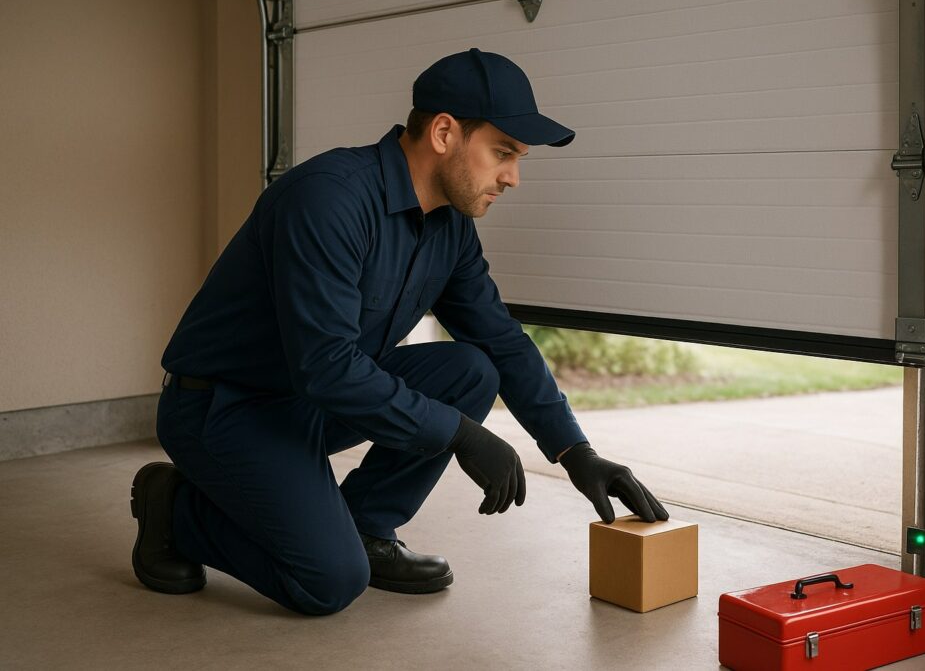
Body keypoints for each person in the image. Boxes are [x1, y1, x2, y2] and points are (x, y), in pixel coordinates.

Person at [131, 48, 669, 616]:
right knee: (329, 583)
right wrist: (459, 435)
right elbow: (327, 365)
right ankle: (178, 510)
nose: (512, 177)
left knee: (470, 369)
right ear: (443, 132)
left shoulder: (450, 228)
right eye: (503, 153)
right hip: (227, 410)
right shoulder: (328, 198)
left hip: (310, 402)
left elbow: (499, 339)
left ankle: (366, 527)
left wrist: (573, 450)